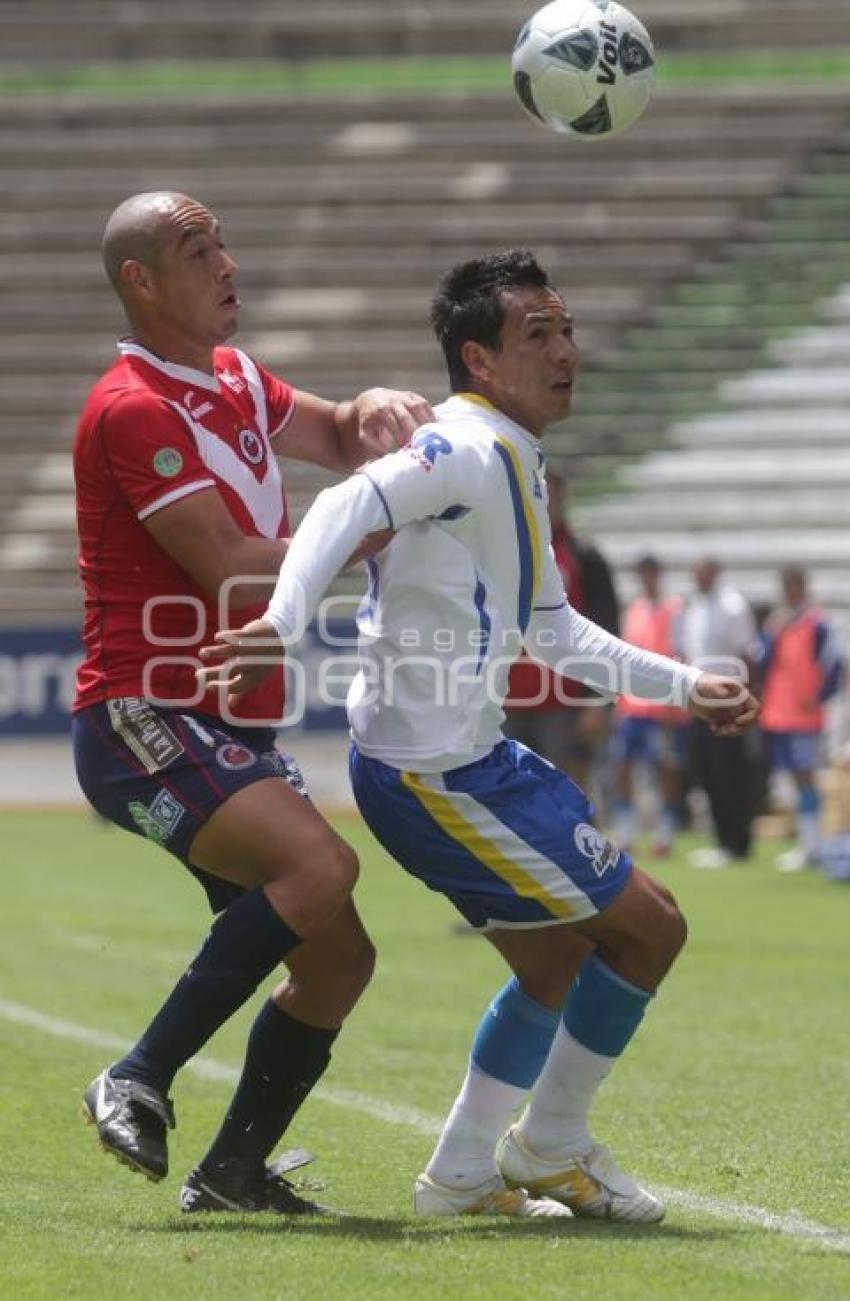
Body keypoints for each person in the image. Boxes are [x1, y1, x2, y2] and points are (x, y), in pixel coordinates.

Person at [199, 250, 759, 1221]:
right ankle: (550, 1145)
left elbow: (550, 628)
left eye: (567, 328)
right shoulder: (463, 446)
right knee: (650, 927)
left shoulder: (511, 457)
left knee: (552, 963)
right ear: (480, 360)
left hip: (459, 759)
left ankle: (460, 1175)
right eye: (535, 334)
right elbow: (340, 501)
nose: (565, 350)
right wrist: (285, 622)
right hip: (436, 774)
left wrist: (683, 683)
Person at [72, 191, 431, 1216]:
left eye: (222, 240)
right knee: (319, 863)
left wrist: (375, 410)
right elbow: (231, 567)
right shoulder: (132, 406)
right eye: (197, 248)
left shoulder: (231, 376)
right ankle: (134, 1073)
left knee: (339, 960)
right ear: (142, 281)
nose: (226, 260)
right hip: (142, 717)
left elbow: (332, 430)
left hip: (226, 721)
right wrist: (383, 531)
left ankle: (231, 1171)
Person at [503, 468, 620, 803]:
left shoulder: (584, 556)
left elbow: (605, 629)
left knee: (571, 794)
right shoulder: (507, 550)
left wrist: (598, 700)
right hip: (508, 699)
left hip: (564, 701)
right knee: (513, 795)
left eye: (549, 494)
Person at [760, 566, 844, 872]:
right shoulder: (779, 623)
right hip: (779, 712)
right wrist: (771, 634)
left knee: (806, 776)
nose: (789, 593)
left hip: (804, 715)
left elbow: (835, 665)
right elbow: (765, 660)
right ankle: (808, 842)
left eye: (793, 587)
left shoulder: (817, 624)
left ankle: (813, 846)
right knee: (794, 779)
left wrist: (818, 697)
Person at [680, 558, 760, 869]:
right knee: (709, 771)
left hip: (727, 698)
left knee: (730, 772)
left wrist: (744, 697)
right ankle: (722, 839)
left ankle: (738, 842)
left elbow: (746, 654)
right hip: (699, 699)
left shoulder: (732, 606)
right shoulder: (695, 606)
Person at [611, 555, 689, 856]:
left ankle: (665, 832)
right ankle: (625, 832)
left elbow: (680, 654)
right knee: (624, 766)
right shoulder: (635, 609)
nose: (647, 580)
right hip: (632, 706)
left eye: (651, 574)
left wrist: (675, 698)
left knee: (666, 768)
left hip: (662, 705)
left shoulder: (675, 609)